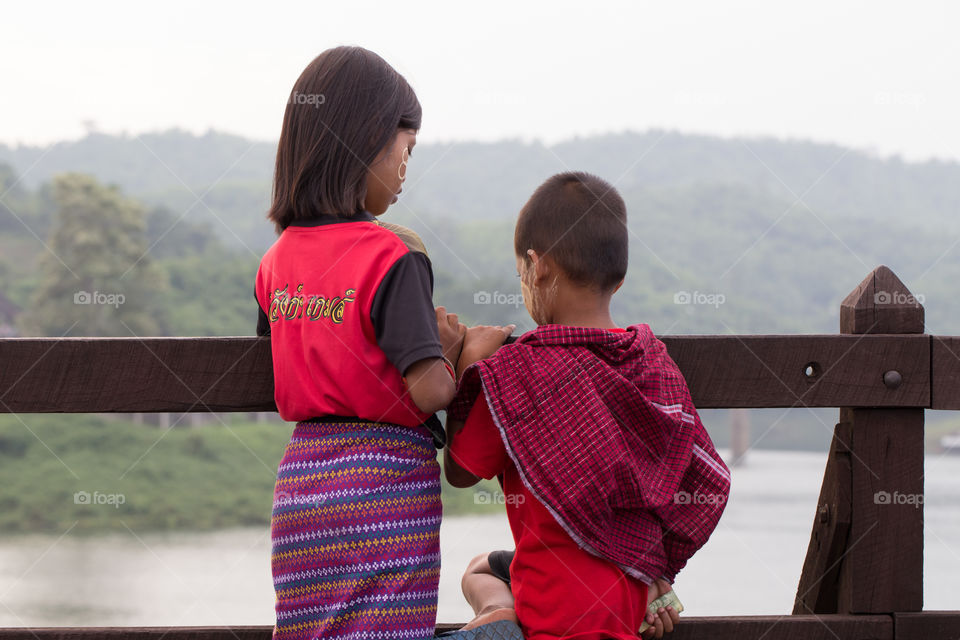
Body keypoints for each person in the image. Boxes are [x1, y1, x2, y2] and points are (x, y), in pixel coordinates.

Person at [444, 172, 731, 640]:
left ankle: (496, 622)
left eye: (521, 273)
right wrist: (657, 572)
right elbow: (697, 478)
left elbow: (460, 471)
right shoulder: (654, 364)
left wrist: (471, 368)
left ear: (537, 267)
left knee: (478, 575)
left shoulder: (517, 372)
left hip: (552, 619)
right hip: (629, 607)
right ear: (618, 279)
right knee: (485, 566)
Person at [255, 46, 464, 640]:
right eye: (406, 152)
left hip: (301, 489)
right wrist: (451, 348)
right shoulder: (391, 257)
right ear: (366, 142)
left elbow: (287, 348)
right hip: (385, 488)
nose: (405, 171)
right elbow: (428, 392)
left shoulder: (275, 262)